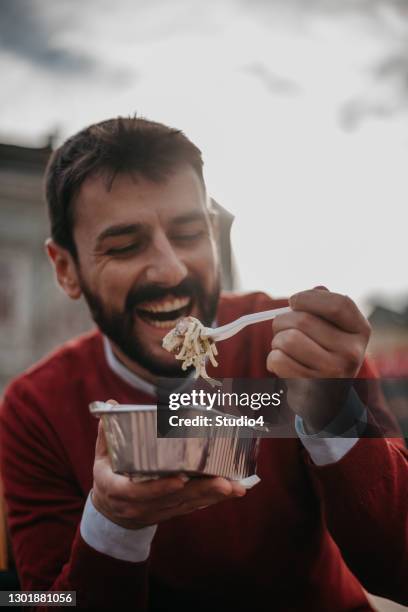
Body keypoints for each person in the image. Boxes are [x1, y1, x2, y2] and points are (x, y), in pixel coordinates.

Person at [0, 117, 406, 611]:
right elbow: (42, 598)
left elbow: (399, 568)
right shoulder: (34, 408)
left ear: (214, 233)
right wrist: (112, 524)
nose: (170, 269)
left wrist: (335, 414)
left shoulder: (303, 351)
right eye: (125, 246)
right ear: (66, 269)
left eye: (189, 233)